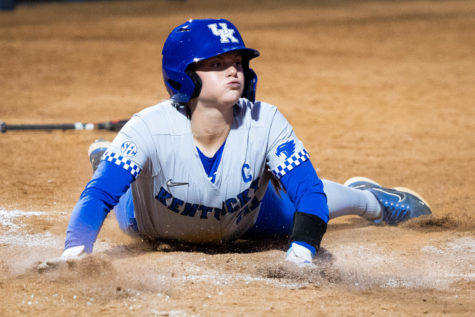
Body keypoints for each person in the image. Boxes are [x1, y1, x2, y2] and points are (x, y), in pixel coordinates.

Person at [39, 18, 431, 270]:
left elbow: (309, 190)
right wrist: (74, 256)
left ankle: (372, 200)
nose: (233, 70)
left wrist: (301, 253)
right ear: (185, 76)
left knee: (299, 207)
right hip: (151, 222)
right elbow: (98, 197)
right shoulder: (148, 127)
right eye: (216, 64)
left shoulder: (266, 121)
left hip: (244, 218)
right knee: (120, 193)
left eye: (237, 62)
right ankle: (112, 158)